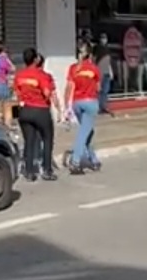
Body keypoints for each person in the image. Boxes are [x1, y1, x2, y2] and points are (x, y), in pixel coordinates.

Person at [14, 48, 57, 182]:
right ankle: (47, 170)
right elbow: (46, 93)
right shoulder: (41, 75)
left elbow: (17, 93)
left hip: (25, 111)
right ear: (35, 60)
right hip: (40, 110)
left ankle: (29, 171)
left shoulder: (19, 75)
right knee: (47, 139)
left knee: (29, 141)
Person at [65, 42, 102, 175]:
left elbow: (68, 88)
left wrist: (66, 107)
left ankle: (94, 160)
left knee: (87, 132)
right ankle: (75, 161)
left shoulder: (73, 68)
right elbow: (99, 88)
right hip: (90, 103)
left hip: (77, 103)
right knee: (83, 133)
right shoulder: (94, 69)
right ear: (90, 55)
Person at [0, 41, 15, 115]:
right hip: (2, 84)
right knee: (6, 107)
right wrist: (7, 59)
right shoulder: (3, 60)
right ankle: (6, 124)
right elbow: (13, 69)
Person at [95, 33, 115, 116]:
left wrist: (111, 71)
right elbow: (94, 60)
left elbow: (108, 61)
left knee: (105, 91)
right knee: (99, 90)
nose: (104, 40)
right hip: (100, 72)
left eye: (105, 38)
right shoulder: (97, 48)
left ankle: (104, 107)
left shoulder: (108, 49)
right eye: (102, 38)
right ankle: (99, 107)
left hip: (106, 72)